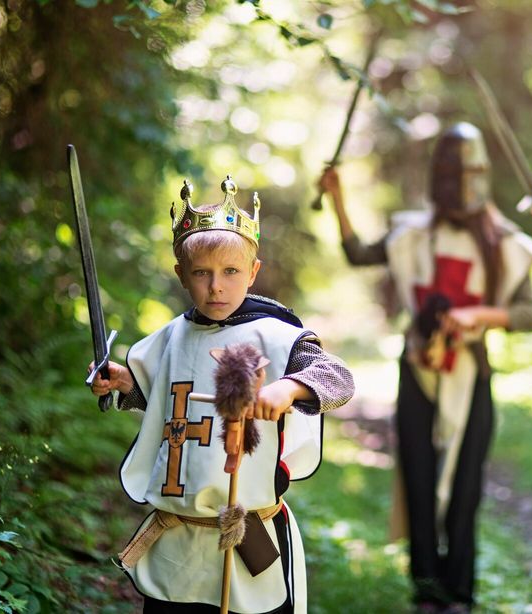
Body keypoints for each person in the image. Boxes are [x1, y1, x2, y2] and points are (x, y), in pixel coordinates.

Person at [89, 177, 354, 613]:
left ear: (252, 272)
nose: (216, 286)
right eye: (202, 273)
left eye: (231, 272)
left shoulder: (280, 336)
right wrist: (122, 383)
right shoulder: (169, 338)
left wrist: (291, 386)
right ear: (181, 275)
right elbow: (162, 401)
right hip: (176, 542)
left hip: (245, 538)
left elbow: (338, 377)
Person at [318, 122, 532, 613]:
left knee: (466, 487)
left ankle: (458, 592)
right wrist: (337, 198)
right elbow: (358, 254)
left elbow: (531, 314)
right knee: (418, 480)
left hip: (473, 372)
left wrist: (480, 315)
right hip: (417, 369)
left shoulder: (503, 242)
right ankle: (426, 591)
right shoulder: (411, 234)